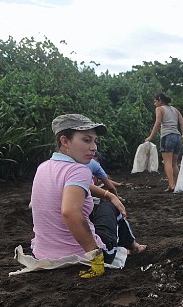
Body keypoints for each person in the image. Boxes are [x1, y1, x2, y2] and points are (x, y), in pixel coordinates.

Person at [31, 114, 146, 278]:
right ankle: (133, 245)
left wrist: (107, 194)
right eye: (86, 140)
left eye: (94, 141)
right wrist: (96, 258)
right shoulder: (79, 170)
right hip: (80, 257)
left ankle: (131, 245)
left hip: (43, 254)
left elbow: (76, 186)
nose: (94, 147)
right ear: (65, 141)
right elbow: (70, 212)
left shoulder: (44, 167)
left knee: (102, 204)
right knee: (109, 207)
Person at [145, 93, 183, 192]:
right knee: (174, 163)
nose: (154, 104)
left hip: (167, 136)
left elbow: (158, 123)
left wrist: (150, 137)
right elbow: (182, 124)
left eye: (155, 101)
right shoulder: (175, 110)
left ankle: (171, 185)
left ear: (160, 100)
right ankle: (177, 185)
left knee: (167, 162)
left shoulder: (159, 109)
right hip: (177, 137)